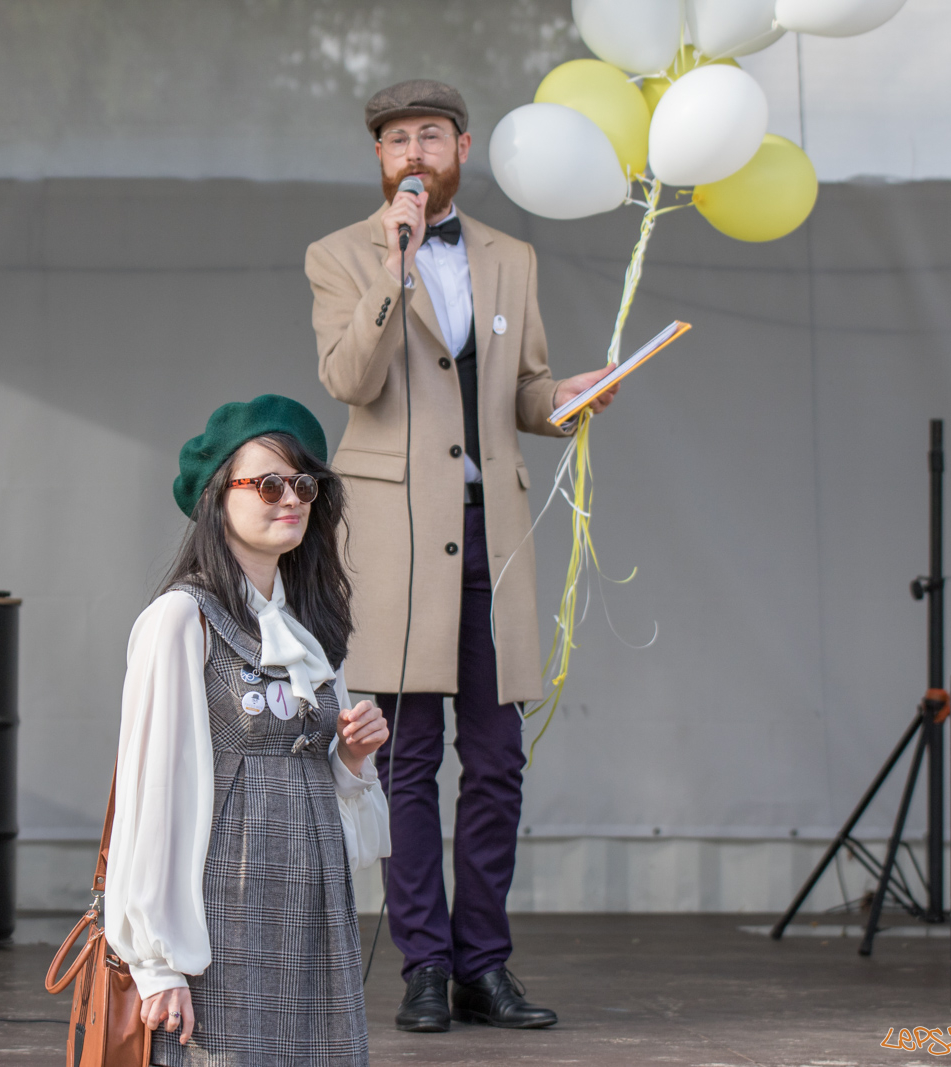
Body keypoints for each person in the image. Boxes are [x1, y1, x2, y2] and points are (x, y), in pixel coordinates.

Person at [304, 80, 621, 1033]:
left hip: (495, 536)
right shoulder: (337, 257)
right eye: (396, 139)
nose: (413, 151)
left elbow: (520, 392)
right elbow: (348, 379)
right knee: (406, 762)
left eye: (429, 136)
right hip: (395, 539)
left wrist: (566, 398)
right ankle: (423, 969)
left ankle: (486, 963)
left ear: (462, 148)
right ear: (379, 157)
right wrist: (393, 268)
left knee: (495, 763)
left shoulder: (511, 257)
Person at [104, 394, 393, 1066]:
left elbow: (349, 821)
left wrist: (351, 759)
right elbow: (152, 801)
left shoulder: (314, 631)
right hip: (220, 913)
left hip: (313, 908)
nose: (289, 498)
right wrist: (159, 964)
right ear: (218, 497)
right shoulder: (181, 620)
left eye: (303, 484)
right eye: (267, 482)